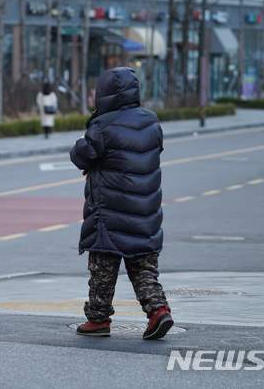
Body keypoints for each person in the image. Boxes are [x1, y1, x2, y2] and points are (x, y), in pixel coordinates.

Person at [69, 67, 173, 340]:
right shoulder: (151, 122)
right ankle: (158, 311)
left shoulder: (102, 126)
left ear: (106, 94)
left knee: (102, 268)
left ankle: (98, 319)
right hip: (145, 211)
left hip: (110, 211)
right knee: (143, 267)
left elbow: (82, 155)